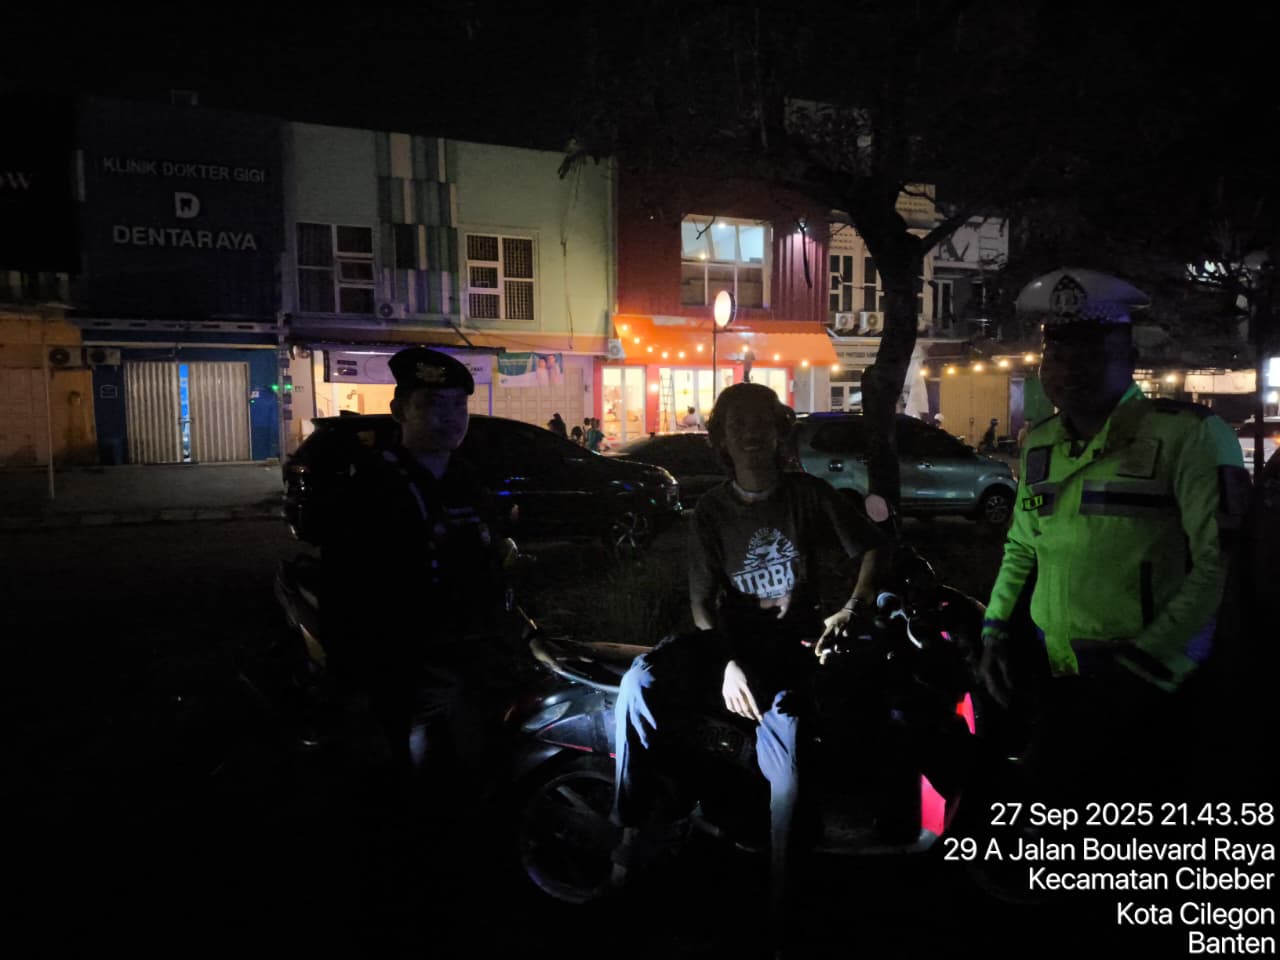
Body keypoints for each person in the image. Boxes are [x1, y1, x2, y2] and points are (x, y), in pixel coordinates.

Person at [611, 383, 886, 943]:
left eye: (762, 421)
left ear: (781, 431)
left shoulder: (808, 494)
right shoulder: (712, 511)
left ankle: (784, 912)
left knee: (790, 765)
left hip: (792, 651)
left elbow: (873, 546)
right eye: (737, 425)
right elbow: (701, 605)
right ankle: (632, 826)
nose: (751, 433)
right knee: (641, 680)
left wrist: (852, 607)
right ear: (721, 440)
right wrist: (728, 661)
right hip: (727, 647)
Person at [978, 278, 1249, 803]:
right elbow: (1022, 547)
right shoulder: (1042, 442)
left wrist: (1144, 666)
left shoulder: (1187, 435)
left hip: (1152, 685)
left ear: (1129, 359)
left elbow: (1219, 562)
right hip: (1060, 675)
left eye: (1090, 354)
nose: (1068, 370)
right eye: (1056, 355)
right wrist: (994, 632)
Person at [320, 346, 507, 790]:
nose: (451, 417)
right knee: (414, 779)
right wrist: (354, 680)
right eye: (434, 404)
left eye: (459, 405)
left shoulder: (468, 480)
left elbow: (488, 562)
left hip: (468, 662)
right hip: (402, 669)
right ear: (399, 411)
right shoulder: (372, 487)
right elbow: (344, 589)